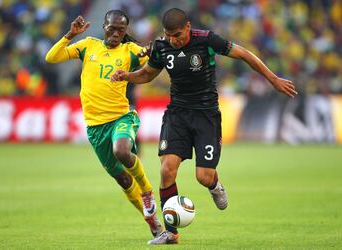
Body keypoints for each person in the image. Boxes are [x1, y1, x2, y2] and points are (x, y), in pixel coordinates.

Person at [111, 8, 298, 245]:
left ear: (187, 27)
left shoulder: (207, 40)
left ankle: (215, 185)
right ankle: (170, 233)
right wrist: (127, 76)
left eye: (177, 34)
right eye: (169, 35)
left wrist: (273, 79)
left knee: (203, 176)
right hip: (177, 114)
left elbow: (244, 54)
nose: (173, 40)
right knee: (167, 169)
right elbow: (148, 74)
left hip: (206, 115)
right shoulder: (162, 47)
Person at [45, 10, 163, 238]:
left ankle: (147, 191)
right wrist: (69, 35)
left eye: (121, 30)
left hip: (121, 117)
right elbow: (51, 57)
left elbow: (153, 57)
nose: (116, 33)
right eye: (113, 28)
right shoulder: (88, 45)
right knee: (122, 178)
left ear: (125, 31)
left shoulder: (130, 51)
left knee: (121, 151)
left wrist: (154, 49)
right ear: (105, 26)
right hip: (95, 127)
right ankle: (153, 222)